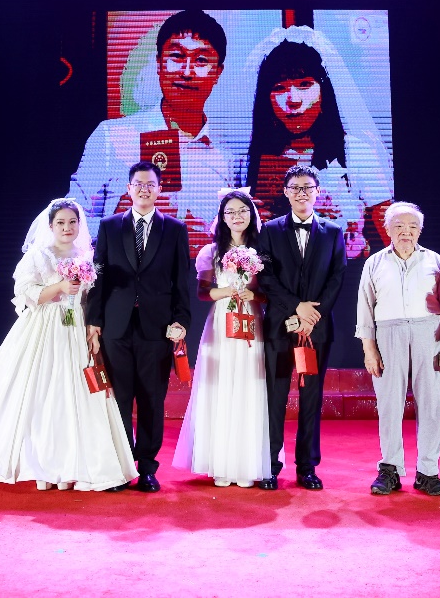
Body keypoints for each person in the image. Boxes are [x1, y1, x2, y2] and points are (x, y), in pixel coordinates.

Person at [0, 199, 138, 491]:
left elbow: (91, 299)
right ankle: (41, 466)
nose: (67, 228)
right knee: (42, 393)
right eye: (60, 223)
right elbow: (24, 291)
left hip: (76, 327)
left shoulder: (87, 257)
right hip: (44, 327)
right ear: (50, 226)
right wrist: (60, 287)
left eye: (72, 222)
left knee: (75, 395)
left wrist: (92, 328)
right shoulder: (39, 255)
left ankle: (73, 466)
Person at [69, 10, 235, 247]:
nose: (187, 72)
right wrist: (118, 223)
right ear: (159, 63)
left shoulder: (228, 157)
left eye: (201, 60)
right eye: (176, 56)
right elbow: (68, 221)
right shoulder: (111, 136)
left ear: (218, 72)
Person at [239, 27, 393, 256]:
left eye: (304, 84)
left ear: (324, 92)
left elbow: (391, 232)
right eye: (279, 88)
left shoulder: (355, 151)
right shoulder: (251, 162)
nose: (293, 100)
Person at [86, 162, 192, 492]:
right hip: (115, 326)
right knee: (118, 398)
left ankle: (147, 466)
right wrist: (94, 321)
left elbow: (181, 282)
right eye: (138, 184)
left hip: (156, 327)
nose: (144, 189)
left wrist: (181, 320)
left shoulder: (174, 229)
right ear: (128, 189)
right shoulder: (109, 226)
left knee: (151, 398)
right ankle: (120, 466)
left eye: (150, 184)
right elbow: (98, 277)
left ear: (159, 189)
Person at [357, 201, 440, 496]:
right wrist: (369, 348)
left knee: (432, 403)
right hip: (388, 333)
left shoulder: (435, 261)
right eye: (399, 226)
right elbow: (365, 307)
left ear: (420, 230)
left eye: (413, 226)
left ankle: (428, 471)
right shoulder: (374, 262)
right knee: (389, 403)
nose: (406, 232)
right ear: (387, 229)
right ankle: (390, 469)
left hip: (430, 332)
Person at [256, 164, 347, 490]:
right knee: (275, 396)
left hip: (317, 329)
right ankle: (270, 465)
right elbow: (265, 277)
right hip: (279, 326)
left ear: (318, 192)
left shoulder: (334, 232)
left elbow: (337, 277)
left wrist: (311, 316)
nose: (301, 193)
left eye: (307, 187)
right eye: (295, 187)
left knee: (311, 398)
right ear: (285, 192)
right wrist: (296, 307)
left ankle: (307, 467)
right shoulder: (270, 230)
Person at [173, 190, 270, 487]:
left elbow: (271, 292)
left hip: (252, 323)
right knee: (220, 384)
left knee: (249, 386)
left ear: (252, 214)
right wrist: (228, 291)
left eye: (243, 210)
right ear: (222, 217)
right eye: (230, 212)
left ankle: (247, 464)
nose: (237, 216)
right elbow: (203, 292)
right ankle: (219, 463)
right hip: (221, 324)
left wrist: (253, 295)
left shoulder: (263, 249)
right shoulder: (211, 252)